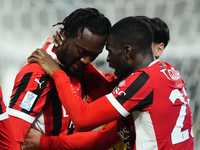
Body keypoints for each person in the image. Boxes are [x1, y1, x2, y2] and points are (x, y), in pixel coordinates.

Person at [28, 16, 194, 150]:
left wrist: (57, 73)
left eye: (110, 51)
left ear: (127, 51)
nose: (107, 59)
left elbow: (83, 119)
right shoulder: (167, 71)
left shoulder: (142, 82)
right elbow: (106, 91)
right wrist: (71, 51)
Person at [7, 7, 117, 150]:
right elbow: (11, 140)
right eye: (82, 51)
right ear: (65, 35)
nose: (86, 60)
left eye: (94, 55)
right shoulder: (38, 75)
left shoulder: (79, 68)